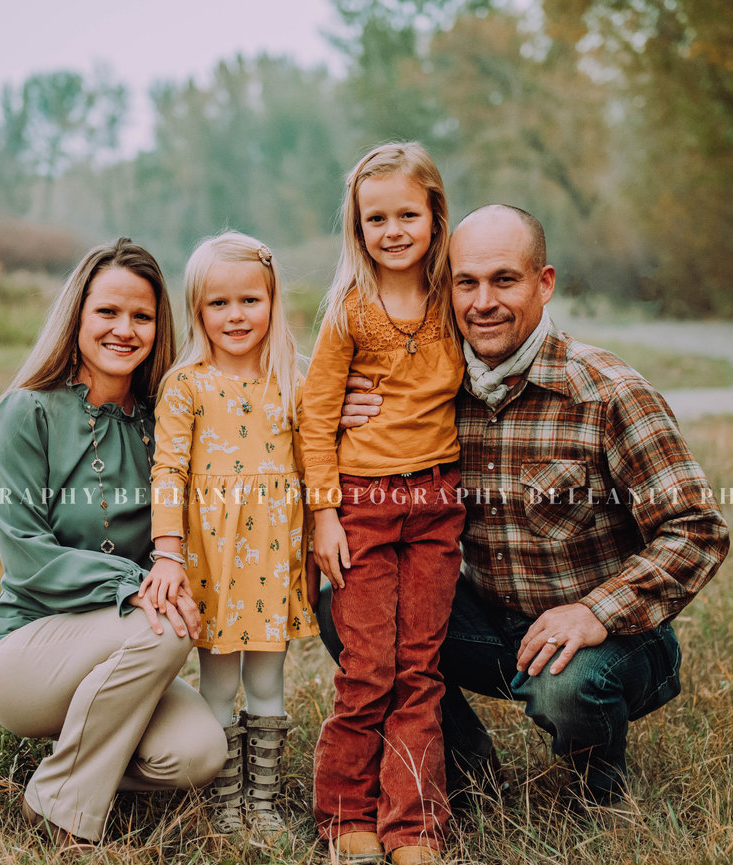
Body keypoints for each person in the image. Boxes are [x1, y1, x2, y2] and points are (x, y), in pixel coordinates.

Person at [332, 204, 731, 815]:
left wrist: (596, 612)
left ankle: (596, 793)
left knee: (568, 685)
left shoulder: (607, 391)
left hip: (612, 638)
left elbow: (697, 529)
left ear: (544, 283)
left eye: (504, 280)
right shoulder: (431, 392)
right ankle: (464, 766)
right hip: (487, 625)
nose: (482, 302)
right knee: (346, 596)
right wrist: (346, 414)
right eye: (466, 283)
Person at [0, 239, 226, 847]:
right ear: (77, 316)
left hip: (121, 650)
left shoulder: (166, 420)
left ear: (159, 327)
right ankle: (60, 810)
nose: (124, 330)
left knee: (198, 753)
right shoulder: (27, 411)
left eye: (142, 316)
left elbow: (257, 422)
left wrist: (344, 407)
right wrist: (137, 585)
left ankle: (71, 767)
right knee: (164, 625)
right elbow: (26, 555)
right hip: (27, 650)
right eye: (107, 311)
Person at [301, 143, 466, 865]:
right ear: (357, 226)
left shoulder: (454, 299)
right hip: (363, 505)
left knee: (420, 669)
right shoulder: (350, 310)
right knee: (369, 666)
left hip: (436, 503)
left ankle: (414, 826)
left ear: (435, 215)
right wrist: (323, 514)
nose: (393, 230)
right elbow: (315, 415)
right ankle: (346, 815)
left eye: (407, 214)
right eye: (376, 219)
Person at [146, 231, 319, 835]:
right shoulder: (186, 385)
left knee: (267, 680)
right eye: (218, 303)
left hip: (273, 558)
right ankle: (223, 805)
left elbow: (316, 464)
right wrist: (167, 550)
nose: (236, 315)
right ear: (197, 310)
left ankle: (262, 804)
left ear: (272, 301)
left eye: (250, 300)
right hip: (212, 562)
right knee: (218, 682)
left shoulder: (294, 380)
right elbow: (168, 472)